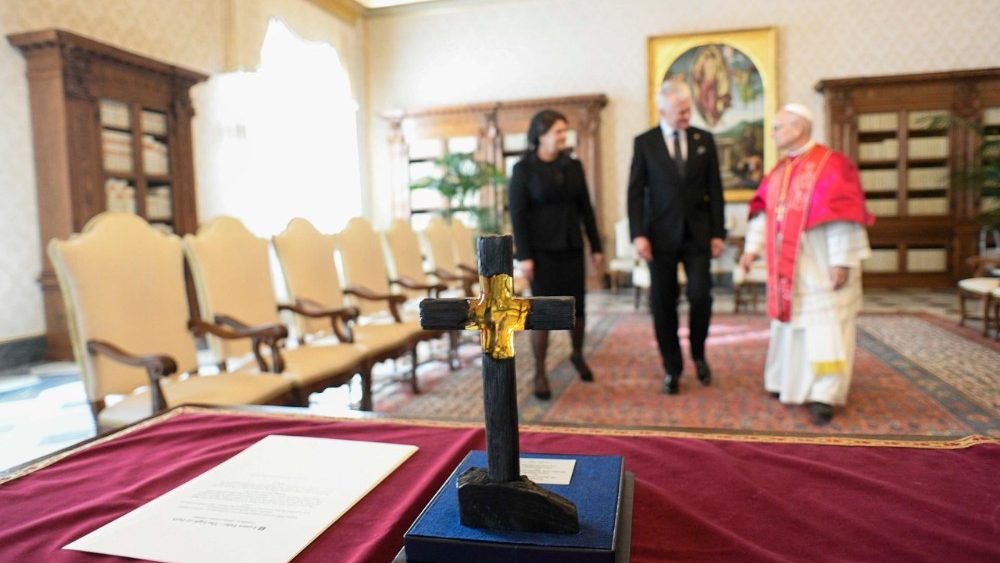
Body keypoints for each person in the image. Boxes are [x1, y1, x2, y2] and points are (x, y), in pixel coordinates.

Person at [738, 103, 874, 426]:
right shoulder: (779, 170)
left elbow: (843, 217)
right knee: (790, 325)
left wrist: (841, 261)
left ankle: (825, 393)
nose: (772, 133)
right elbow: (764, 214)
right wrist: (751, 249)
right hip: (789, 270)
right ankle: (787, 383)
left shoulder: (832, 165)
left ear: (798, 128)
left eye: (777, 127)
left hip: (821, 263)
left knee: (825, 328)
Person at [627, 80, 726, 395]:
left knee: (700, 295)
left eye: (688, 109)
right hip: (659, 237)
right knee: (663, 303)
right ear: (662, 110)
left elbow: (715, 190)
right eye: (680, 111)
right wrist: (638, 234)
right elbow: (635, 192)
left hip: (698, 235)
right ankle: (672, 368)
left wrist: (718, 233)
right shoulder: (645, 143)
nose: (686, 115)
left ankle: (698, 354)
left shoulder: (703, 139)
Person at [509, 109, 604, 400]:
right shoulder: (523, 169)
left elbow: (586, 209)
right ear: (541, 135)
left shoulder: (573, 165)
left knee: (577, 307)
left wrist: (596, 246)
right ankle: (540, 372)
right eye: (558, 132)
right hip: (541, 253)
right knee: (542, 312)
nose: (564, 136)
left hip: (572, 247)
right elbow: (518, 216)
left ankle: (577, 354)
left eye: (565, 131)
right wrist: (524, 256)